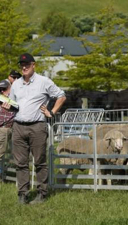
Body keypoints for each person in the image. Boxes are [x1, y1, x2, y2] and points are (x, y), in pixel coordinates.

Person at [2, 53, 66, 204]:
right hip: (18, 126)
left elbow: (61, 95)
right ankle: (22, 194)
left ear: (33, 65)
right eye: (22, 65)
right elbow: (16, 106)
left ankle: (42, 193)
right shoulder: (16, 84)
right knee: (20, 163)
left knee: (39, 161)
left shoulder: (44, 82)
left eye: (27, 64)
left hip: (37, 126)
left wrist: (52, 112)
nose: (24, 67)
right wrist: (8, 106)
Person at [0, 80, 16, 182]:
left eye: (4, 89)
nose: (2, 91)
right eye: (1, 89)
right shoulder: (5, 100)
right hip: (3, 128)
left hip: (8, 128)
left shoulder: (11, 99)